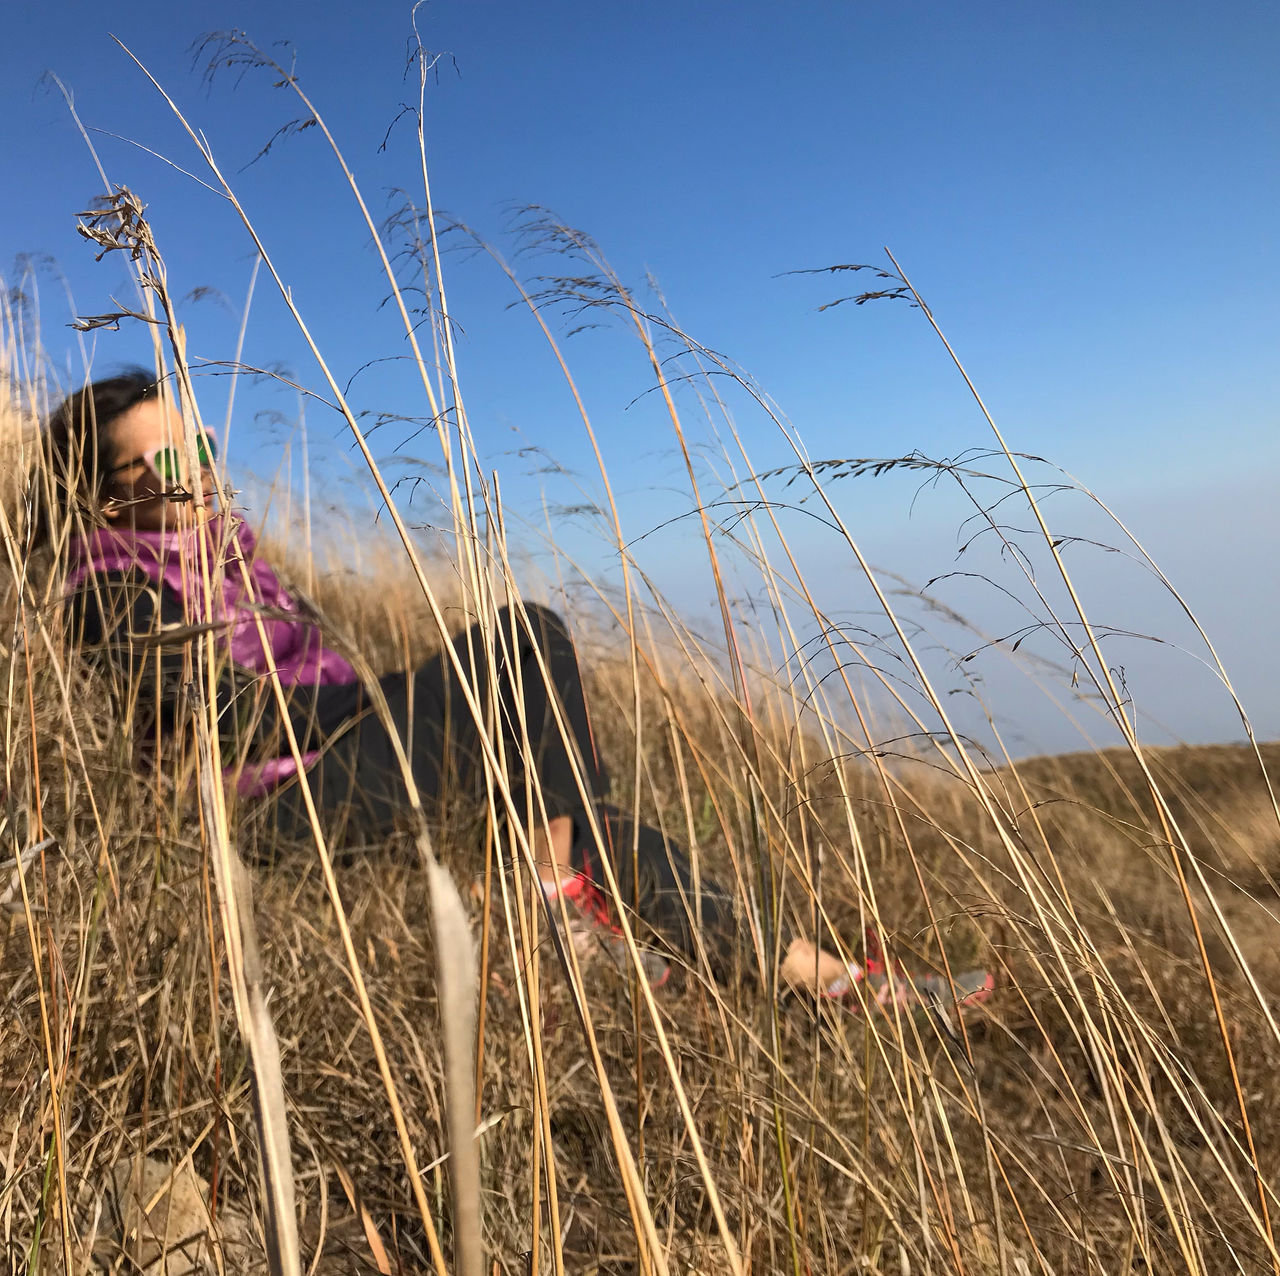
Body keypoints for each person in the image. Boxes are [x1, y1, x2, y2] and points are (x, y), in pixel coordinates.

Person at [36, 369, 993, 1012]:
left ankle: (821, 980)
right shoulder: (111, 586)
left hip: (336, 776)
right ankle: (561, 906)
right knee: (522, 645)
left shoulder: (241, 565)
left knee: (573, 812)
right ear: (101, 490)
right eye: (166, 463)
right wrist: (400, 696)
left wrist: (400, 702)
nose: (201, 475)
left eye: (201, 446)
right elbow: (231, 717)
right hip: (272, 821)